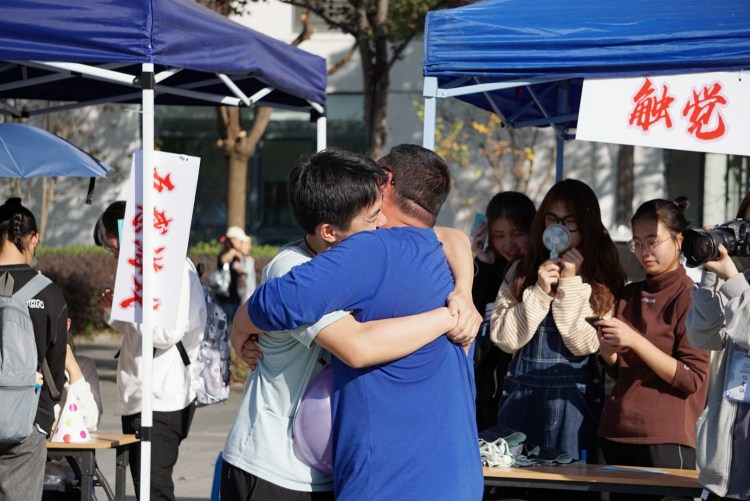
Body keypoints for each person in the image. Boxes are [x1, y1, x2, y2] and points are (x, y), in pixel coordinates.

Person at [235, 144, 484, 500]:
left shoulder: (373, 249)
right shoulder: (438, 252)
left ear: (386, 180)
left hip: (388, 483)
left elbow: (280, 301)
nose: (377, 221)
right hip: (460, 478)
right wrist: (458, 302)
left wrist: (239, 326)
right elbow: (452, 235)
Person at [490, 179, 626, 460]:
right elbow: (504, 339)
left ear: (586, 224)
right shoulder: (522, 269)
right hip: (520, 398)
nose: (559, 229)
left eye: (569, 222)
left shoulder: (603, 276)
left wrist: (570, 282)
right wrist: (539, 291)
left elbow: (583, 343)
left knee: (569, 480)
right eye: (552, 219)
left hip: (575, 404)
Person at [596, 199, 710, 501]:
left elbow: (692, 378)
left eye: (653, 241)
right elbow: (617, 368)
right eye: (637, 243)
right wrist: (607, 349)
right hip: (615, 431)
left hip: (666, 438)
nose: (645, 251)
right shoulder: (629, 293)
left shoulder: (691, 297)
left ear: (678, 240)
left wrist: (635, 340)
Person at [94, 201, 206, 501]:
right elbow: (133, 326)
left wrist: (133, 307)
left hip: (162, 398)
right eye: (112, 252)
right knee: (143, 487)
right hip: (139, 395)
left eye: (117, 250)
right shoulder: (142, 270)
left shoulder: (173, 270)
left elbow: (166, 333)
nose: (116, 258)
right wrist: (114, 308)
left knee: (153, 490)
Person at [0, 197, 69, 501]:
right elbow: (56, 368)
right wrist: (44, 418)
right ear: (34, 238)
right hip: (27, 419)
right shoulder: (49, 294)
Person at [686, 206, 750, 501]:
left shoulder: (739, 283)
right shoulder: (742, 281)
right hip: (727, 464)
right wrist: (711, 274)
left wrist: (733, 280)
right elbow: (705, 336)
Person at [471, 191, 536, 432]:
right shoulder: (483, 271)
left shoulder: (539, 274)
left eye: (518, 234)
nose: (509, 244)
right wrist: (483, 265)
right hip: (486, 393)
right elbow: (472, 315)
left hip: (523, 391)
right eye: (499, 235)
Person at [217, 226, 253, 321]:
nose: (241, 244)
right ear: (233, 240)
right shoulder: (227, 253)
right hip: (225, 298)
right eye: (240, 241)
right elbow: (223, 260)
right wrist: (234, 252)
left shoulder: (238, 255)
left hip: (234, 298)